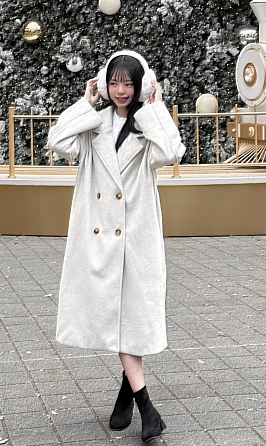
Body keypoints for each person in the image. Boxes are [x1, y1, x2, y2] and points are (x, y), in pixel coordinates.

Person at [47, 50, 185, 443]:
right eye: (114, 82)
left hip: (136, 236)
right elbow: (57, 141)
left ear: (141, 84)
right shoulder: (94, 126)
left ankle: (138, 404)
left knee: (131, 321)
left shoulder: (148, 127)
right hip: (100, 237)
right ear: (104, 84)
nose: (121, 90)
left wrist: (154, 108)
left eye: (128, 83)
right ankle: (144, 407)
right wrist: (85, 103)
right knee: (119, 320)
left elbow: (172, 152)